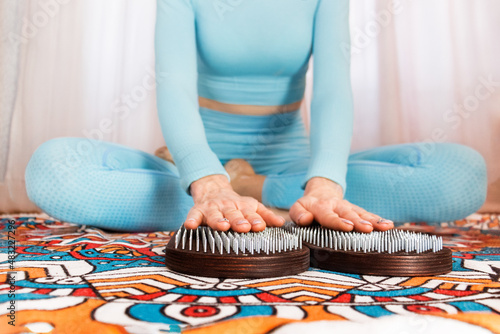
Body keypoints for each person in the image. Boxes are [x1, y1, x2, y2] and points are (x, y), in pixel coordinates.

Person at [25, 0, 487, 233]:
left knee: (462, 174)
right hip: (188, 168)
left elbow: (331, 90)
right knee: (53, 169)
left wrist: (325, 184)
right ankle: (250, 209)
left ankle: (259, 197)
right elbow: (175, 88)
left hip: (291, 174)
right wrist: (208, 181)